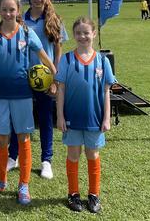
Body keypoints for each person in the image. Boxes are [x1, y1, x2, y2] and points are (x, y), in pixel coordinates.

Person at [0, 0, 57, 205]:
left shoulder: (27, 32)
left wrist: (56, 78)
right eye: (4, 9)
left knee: (24, 139)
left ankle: (23, 185)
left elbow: (44, 56)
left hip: (23, 95)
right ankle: (0, 181)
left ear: (18, 10)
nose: (8, 13)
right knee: (1, 140)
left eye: (12, 9)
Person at [8, 0, 68, 178]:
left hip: (46, 79)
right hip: (23, 78)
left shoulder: (54, 20)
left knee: (44, 119)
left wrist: (54, 79)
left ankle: (46, 160)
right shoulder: (20, 20)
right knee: (19, 119)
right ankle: (14, 155)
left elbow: (58, 52)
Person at [56, 16, 115, 213]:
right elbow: (61, 90)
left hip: (95, 119)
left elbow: (106, 91)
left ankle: (94, 195)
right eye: (78, 33)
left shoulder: (102, 61)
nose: (82, 36)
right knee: (73, 155)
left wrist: (106, 117)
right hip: (72, 118)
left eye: (86, 33)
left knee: (93, 154)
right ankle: (73, 194)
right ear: (73, 35)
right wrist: (60, 116)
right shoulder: (66, 59)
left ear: (94, 34)